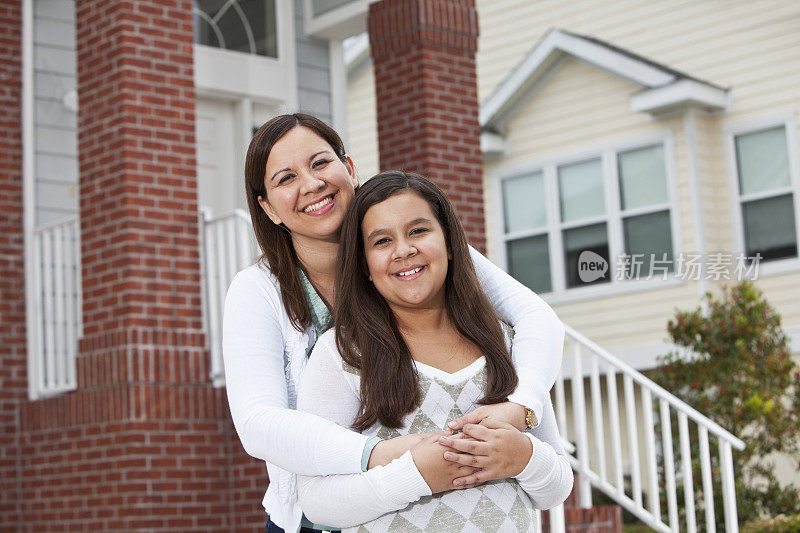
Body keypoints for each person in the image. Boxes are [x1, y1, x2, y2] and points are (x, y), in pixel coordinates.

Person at [222, 113, 566, 533]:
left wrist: (521, 407)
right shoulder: (259, 291)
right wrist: (384, 455)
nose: (311, 185)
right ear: (266, 208)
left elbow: (535, 317)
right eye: (285, 179)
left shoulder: (412, 249)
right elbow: (259, 423)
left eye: (319, 163)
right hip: (316, 518)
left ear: (349, 168)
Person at [296, 171, 573, 531]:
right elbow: (317, 502)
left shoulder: (505, 342)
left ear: (451, 244)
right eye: (381, 241)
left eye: (418, 231)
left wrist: (524, 458)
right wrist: (417, 476)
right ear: (363, 265)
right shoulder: (342, 355)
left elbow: (557, 487)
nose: (403, 250)